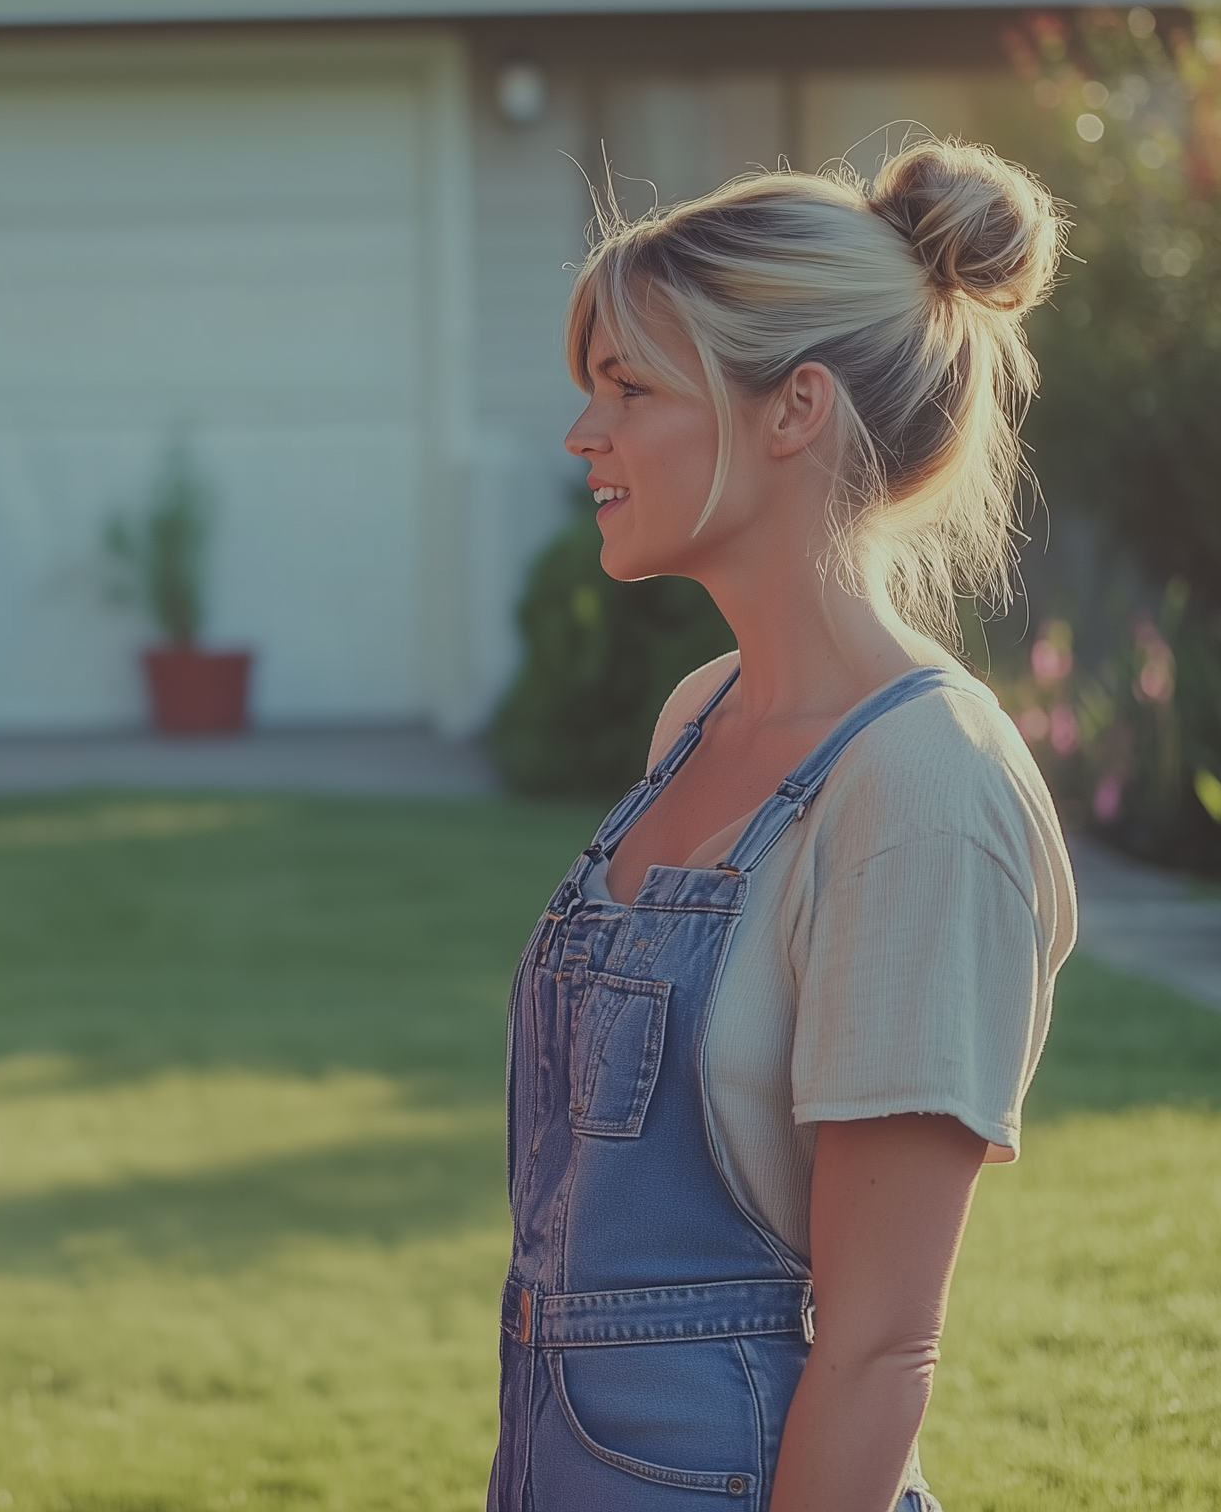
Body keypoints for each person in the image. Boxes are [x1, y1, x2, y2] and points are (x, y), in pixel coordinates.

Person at [491, 140, 1075, 1512]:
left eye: (630, 387)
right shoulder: (701, 713)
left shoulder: (922, 789)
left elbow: (879, 1348)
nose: (585, 432)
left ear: (794, 409)